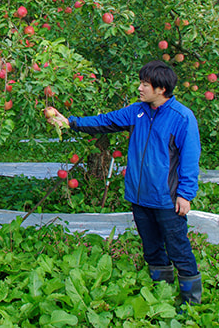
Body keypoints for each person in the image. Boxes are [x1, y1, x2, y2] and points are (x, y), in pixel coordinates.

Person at [48, 60, 202, 305]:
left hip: (167, 198)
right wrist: (71, 122)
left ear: (161, 89)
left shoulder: (181, 117)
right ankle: (161, 291)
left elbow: (190, 159)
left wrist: (185, 194)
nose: (140, 88)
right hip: (140, 196)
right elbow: (105, 121)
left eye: (145, 84)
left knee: (178, 248)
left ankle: (191, 302)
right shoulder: (137, 112)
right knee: (151, 247)